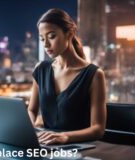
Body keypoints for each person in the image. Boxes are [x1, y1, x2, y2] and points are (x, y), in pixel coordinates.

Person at [28, 8, 107, 145]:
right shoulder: (41, 69)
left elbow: (98, 129)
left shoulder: (94, 75)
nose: (46, 44)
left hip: (79, 149)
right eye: (42, 39)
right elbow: (31, 110)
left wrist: (65, 137)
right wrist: (27, 130)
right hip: (45, 144)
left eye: (51, 36)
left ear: (69, 34)